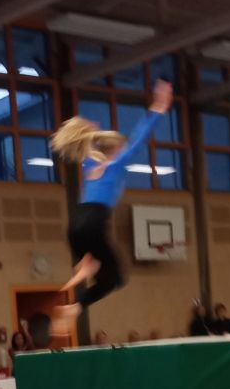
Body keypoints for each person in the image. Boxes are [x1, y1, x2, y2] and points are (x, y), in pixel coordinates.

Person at [50, 79, 173, 332]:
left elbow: (85, 143)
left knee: (104, 274)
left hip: (75, 227)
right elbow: (139, 139)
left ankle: (84, 275)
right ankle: (84, 280)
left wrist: (89, 131)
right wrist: (158, 108)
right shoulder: (115, 165)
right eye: (120, 148)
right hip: (94, 224)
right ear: (115, 150)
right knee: (116, 279)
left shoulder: (90, 165)